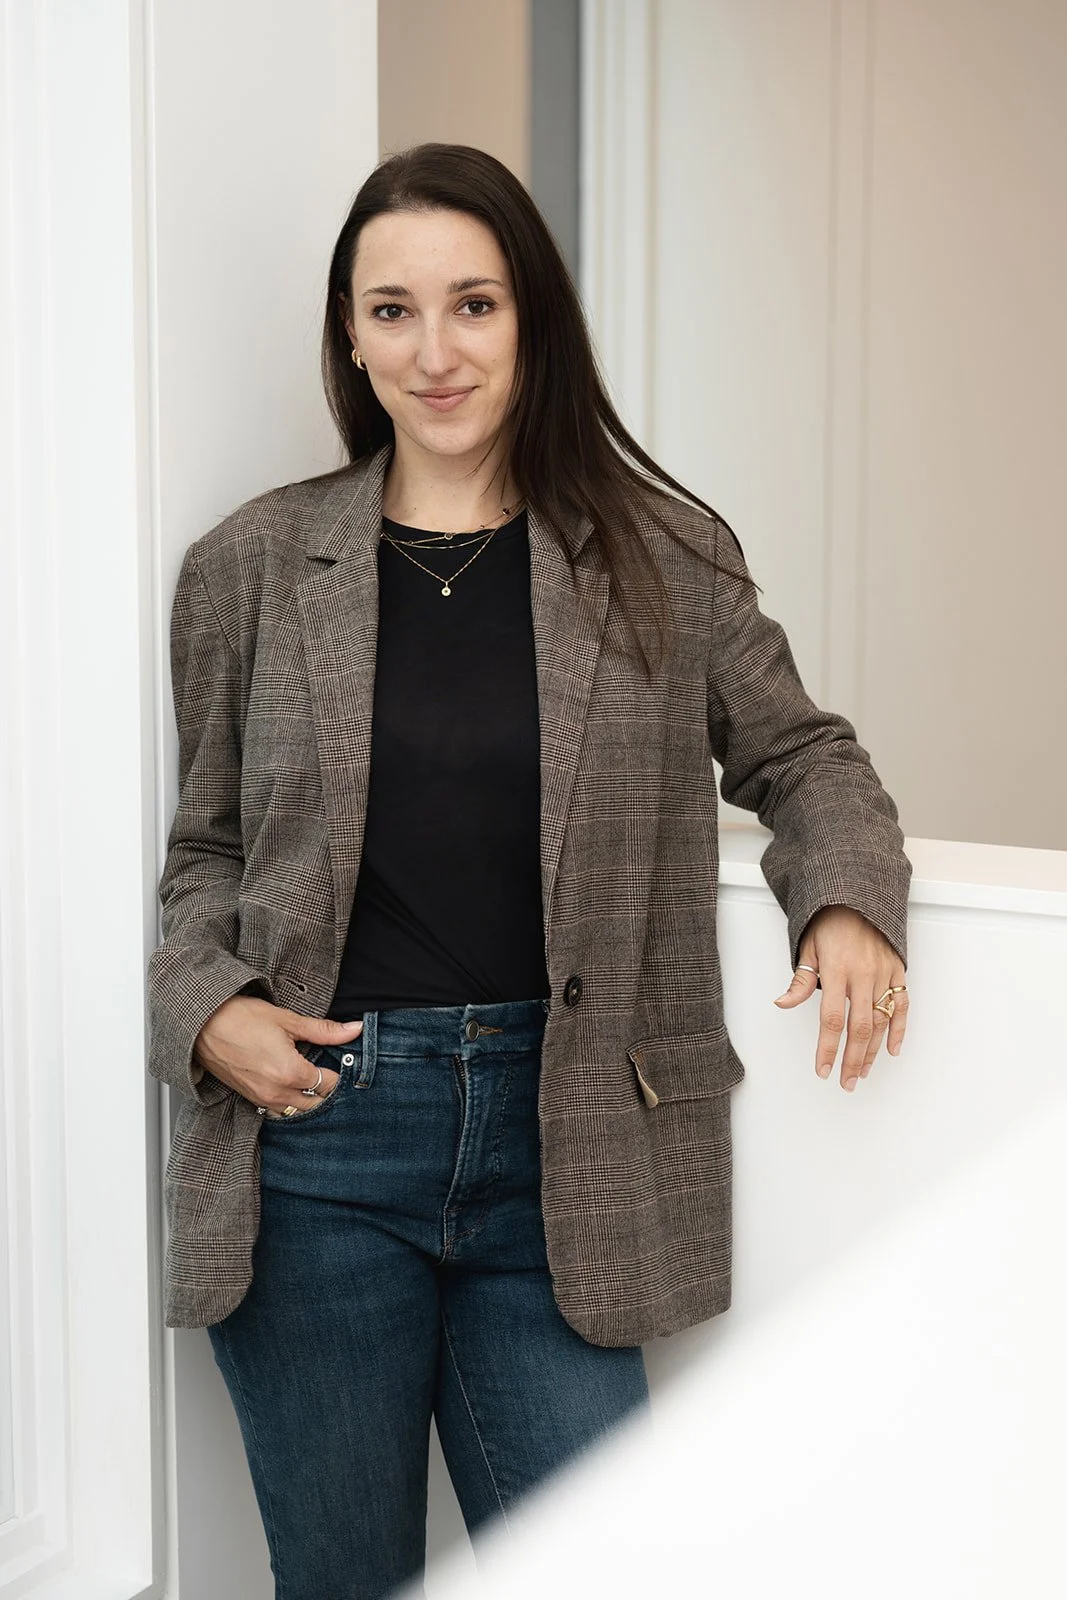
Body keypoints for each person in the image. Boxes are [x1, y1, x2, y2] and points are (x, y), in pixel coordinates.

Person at [148, 143, 911, 1600]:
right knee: (343, 1575)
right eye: (391, 312)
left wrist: (843, 894)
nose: (433, 353)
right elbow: (205, 850)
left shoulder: (661, 556)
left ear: (531, 321)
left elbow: (803, 757)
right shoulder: (250, 566)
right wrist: (201, 1007)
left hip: (567, 1144)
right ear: (350, 334)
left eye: (473, 305)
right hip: (322, 1139)